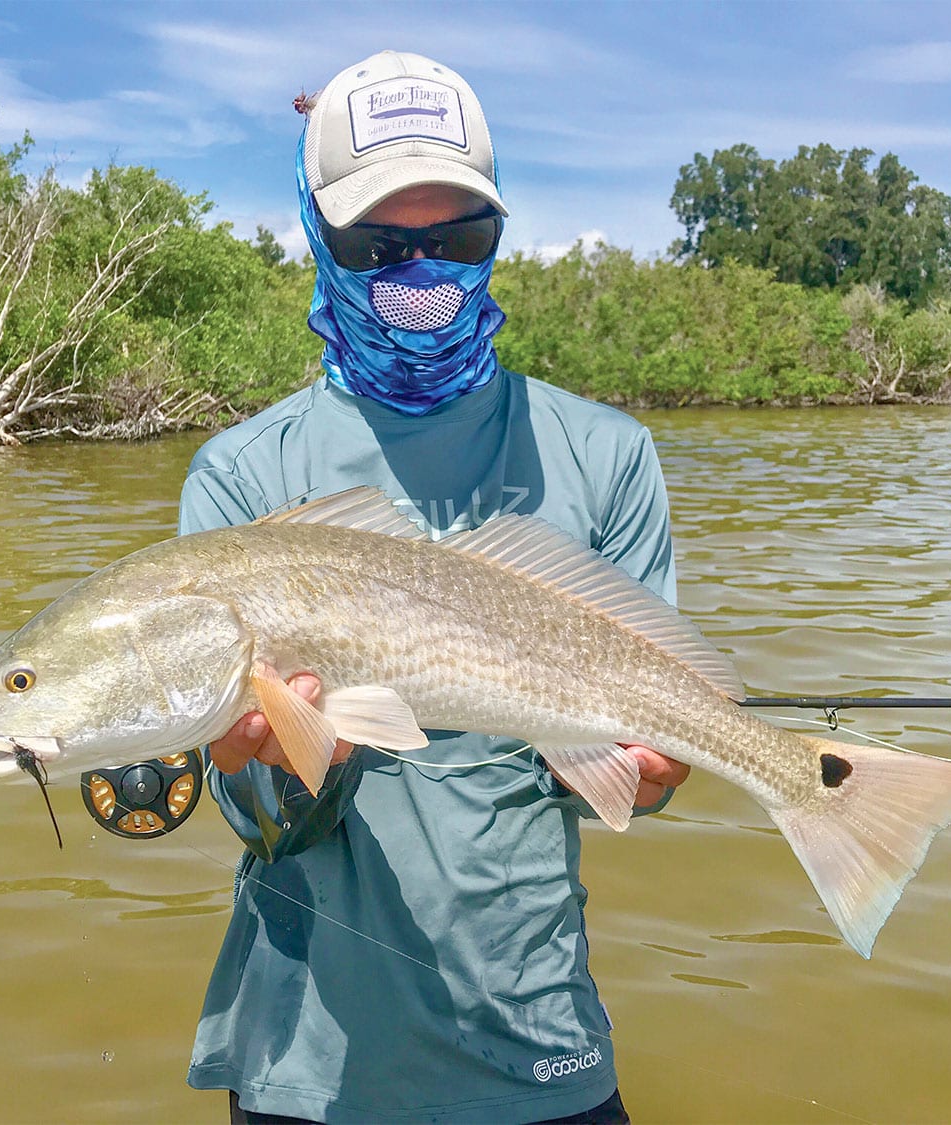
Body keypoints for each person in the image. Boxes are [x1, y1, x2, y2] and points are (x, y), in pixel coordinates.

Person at [178, 50, 689, 1124]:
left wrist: (655, 766)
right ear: (316, 232)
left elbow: (639, 766)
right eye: (379, 243)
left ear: (497, 236)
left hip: (539, 1043)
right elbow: (254, 814)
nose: (421, 275)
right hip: (309, 1062)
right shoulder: (242, 476)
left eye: (455, 240)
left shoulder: (604, 454)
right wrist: (257, 763)